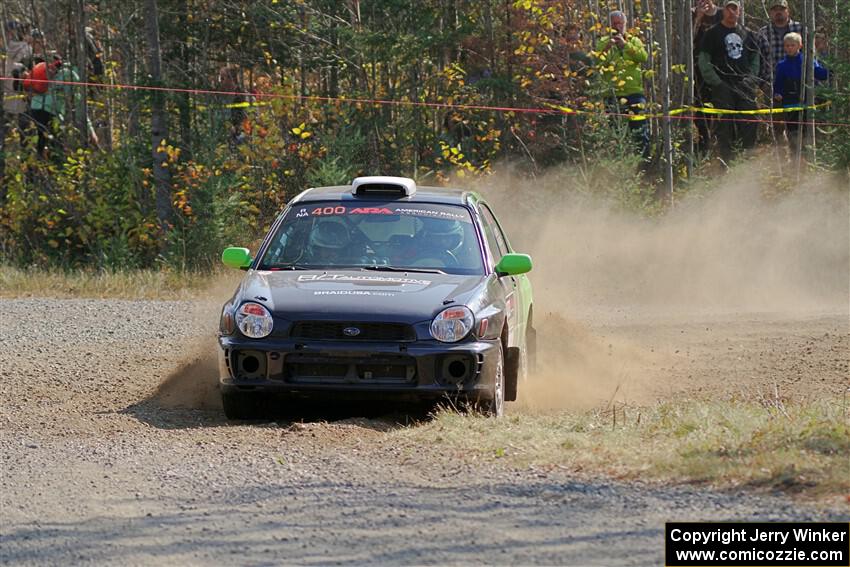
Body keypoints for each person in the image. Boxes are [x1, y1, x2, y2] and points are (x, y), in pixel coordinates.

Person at [698, 0, 760, 162]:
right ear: (723, 11)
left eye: (735, 8)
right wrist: (716, 82)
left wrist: (751, 79)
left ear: (739, 11)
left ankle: (747, 163)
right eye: (728, 8)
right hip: (722, 86)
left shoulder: (748, 33)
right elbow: (704, 60)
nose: (732, 12)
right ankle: (727, 164)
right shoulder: (712, 33)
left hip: (744, 86)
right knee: (724, 127)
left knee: (749, 123)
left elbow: (755, 59)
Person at [594, 10, 649, 160]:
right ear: (609, 25)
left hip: (634, 93)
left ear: (626, 24)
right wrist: (607, 47)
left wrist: (625, 45)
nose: (618, 27)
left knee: (640, 131)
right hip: (612, 94)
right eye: (614, 24)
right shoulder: (603, 41)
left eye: (620, 23)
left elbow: (643, 56)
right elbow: (597, 63)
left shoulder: (634, 40)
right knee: (617, 133)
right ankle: (621, 166)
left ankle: (644, 165)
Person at [773, 32, 829, 152]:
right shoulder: (781, 65)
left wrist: (830, 68)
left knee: (808, 133)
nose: (789, 48)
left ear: (800, 45)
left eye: (792, 45)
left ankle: (810, 158)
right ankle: (795, 158)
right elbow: (778, 84)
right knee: (793, 133)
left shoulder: (807, 61)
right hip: (790, 105)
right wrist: (777, 93)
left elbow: (820, 74)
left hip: (807, 104)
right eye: (787, 45)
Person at [26, 54, 84, 158]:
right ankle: (55, 165)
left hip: (35, 108)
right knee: (55, 141)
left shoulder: (45, 69)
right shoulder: (70, 74)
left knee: (40, 139)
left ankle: (36, 165)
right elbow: (77, 99)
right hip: (51, 111)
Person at [692, 0, 723, 154]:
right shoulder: (691, 14)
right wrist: (698, 18)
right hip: (698, 70)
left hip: (722, 68)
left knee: (722, 104)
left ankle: (722, 141)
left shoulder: (723, 13)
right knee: (702, 105)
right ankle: (704, 140)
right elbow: (687, 41)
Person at [757, 0, 803, 91]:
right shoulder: (763, 33)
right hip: (770, 85)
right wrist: (761, 83)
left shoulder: (800, 28)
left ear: (788, 11)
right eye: (775, 9)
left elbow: (811, 56)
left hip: (798, 84)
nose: (778, 12)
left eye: (781, 9)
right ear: (770, 12)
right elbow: (758, 60)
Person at [2, 21, 34, 147]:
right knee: (24, 125)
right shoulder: (26, 48)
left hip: (8, 90)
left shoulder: (8, 47)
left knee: (6, 122)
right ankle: (25, 154)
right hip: (21, 90)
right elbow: (27, 69)